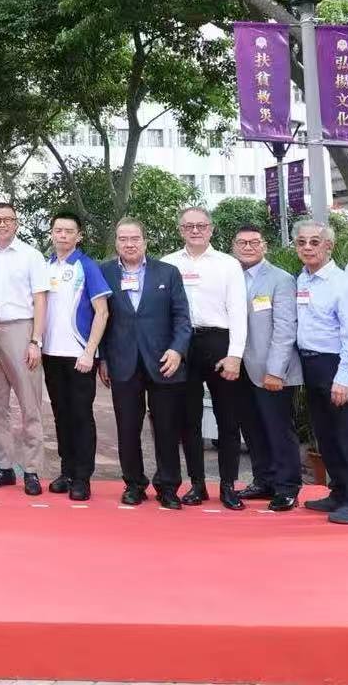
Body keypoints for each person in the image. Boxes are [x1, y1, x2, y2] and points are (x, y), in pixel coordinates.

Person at [100, 218, 191, 510]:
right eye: (123, 239)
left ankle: (168, 486)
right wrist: (102, 357)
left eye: (135, 238)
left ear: (145, 241)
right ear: (116, 242)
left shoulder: (168, 272)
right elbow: (98, 318)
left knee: (166, 427)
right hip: (122, 360)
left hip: (164, 361)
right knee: (127, 427)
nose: (129, 244)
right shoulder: (104, 273)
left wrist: (178, 351)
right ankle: (134, 484)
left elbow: (182, 318)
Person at [162, 206, 248, 510]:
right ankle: (197, 483)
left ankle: (228, 486)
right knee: (189, 419)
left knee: (227, 418)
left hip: (218, 342)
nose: (195, 231)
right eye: (189, 226)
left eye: (201, 225)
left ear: (211, 229)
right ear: (180, 230)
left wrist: (235, 355)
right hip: (182, 346)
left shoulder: (227, 265)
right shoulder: (168, 264)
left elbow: (239, 312)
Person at [292, 219, 348, 525]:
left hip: (338, 365)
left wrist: (344, 378)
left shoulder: (342, 284)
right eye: (302, 242)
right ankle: (338, 492)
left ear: (329, 245)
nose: (308, 248)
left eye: (315, 242)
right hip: (311, 365)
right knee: (325, 435)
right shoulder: (301, 280)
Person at [0, 201, 49, 496]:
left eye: (8, 219)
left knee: (30, 404)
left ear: (17, 223)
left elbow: (41, 299)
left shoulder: (31, 255)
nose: (2, 224)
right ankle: (5, 466)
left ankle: (31, 469)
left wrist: (35, 340)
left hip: (21, 329)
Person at [230, 225, 302, 511]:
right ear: (233, 246)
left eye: (254, 242)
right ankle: (264, 480)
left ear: (265, 246)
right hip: (239, 367)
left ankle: (287, 486)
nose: (248, 247)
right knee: (252, 427)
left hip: (273, 369)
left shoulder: (280, 279)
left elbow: (285, 329)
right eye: (241, 242)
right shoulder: (229, 275)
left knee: (278, 428)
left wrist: (275, 370)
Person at [41, 211, 109, 502]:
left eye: (69, 231)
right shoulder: (46, 267)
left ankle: (82, 477)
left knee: (81, 415)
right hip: (51, 353)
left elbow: (102, 312)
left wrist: (90, 351)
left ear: (78, 235)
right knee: (60, 414)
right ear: (52, 234)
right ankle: (66, 471)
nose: (63, 235)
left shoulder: (87, 266)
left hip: (79, 355)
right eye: (58, 230)